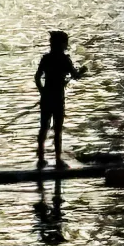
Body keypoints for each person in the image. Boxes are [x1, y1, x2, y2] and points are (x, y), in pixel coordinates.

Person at [35, 31, 87, 168]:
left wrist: (42, 92)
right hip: (58, 98)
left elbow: (37, 78)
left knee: (43, 127)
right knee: (57, 129)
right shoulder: (64, 60)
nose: (67, 45)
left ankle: (41, 159)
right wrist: (81, 72)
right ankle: (58, 160)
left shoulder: (46, 58)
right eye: (66, 42)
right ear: (62, 44)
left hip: (46, 98)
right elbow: (75, 75)